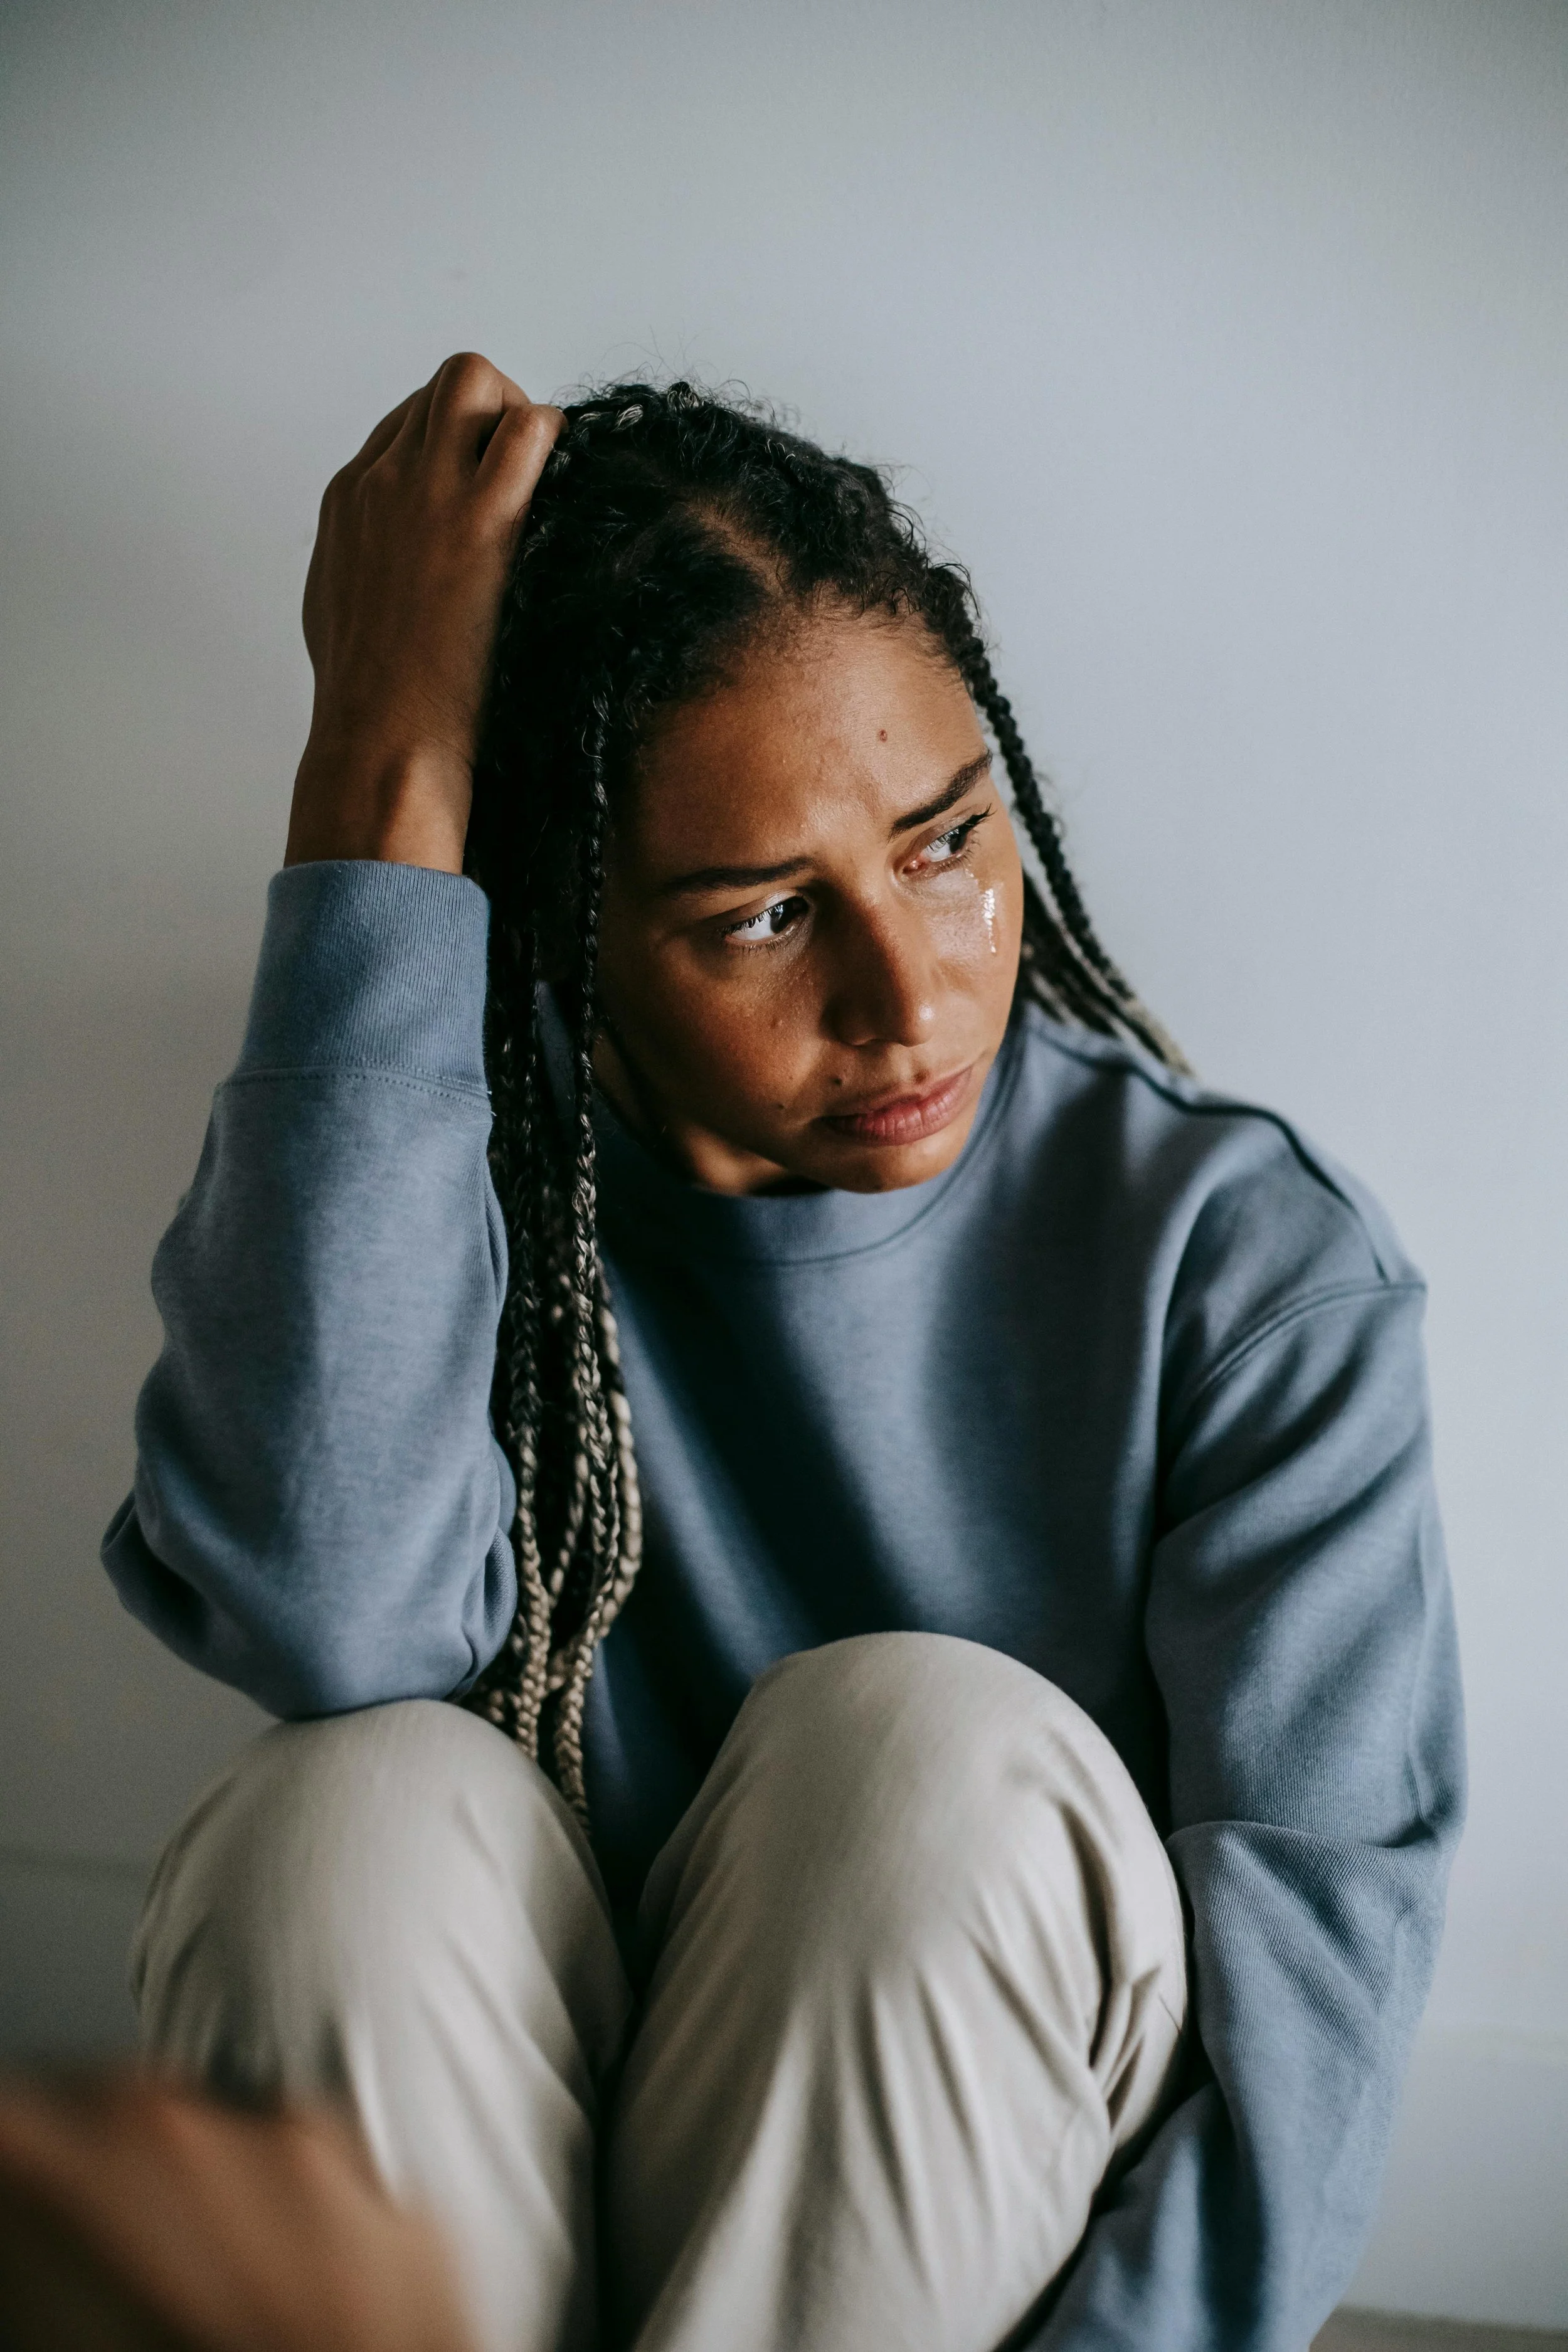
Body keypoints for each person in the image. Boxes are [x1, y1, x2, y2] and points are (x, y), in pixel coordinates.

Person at [100, 354, 1465, 2352]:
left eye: (943, 840)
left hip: (958, 2241)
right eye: (757, 918)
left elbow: (1304, 2037)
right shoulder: (450, 1172)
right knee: (337, 1817)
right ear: (560, 925)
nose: (908, 994)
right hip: (509, 2173)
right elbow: (324, 1611)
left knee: (917, 1751)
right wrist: (380, 782)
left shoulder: (1244, 1264)